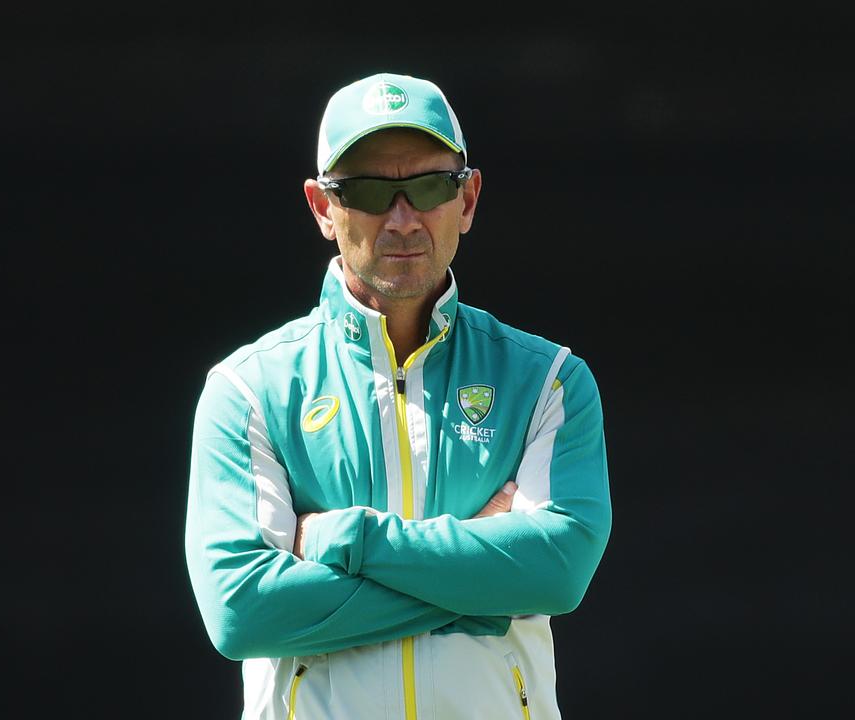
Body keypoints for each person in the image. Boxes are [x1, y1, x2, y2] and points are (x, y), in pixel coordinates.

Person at [185, 72, 612, 719]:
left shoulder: (550, 379)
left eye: (430, 185)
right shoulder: (247, 390)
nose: (404, 217)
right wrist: (483, 575)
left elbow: (557, 571)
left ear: (467, 199)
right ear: (323, 208)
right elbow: (241, 612)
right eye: (369, 190)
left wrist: (348, 539)